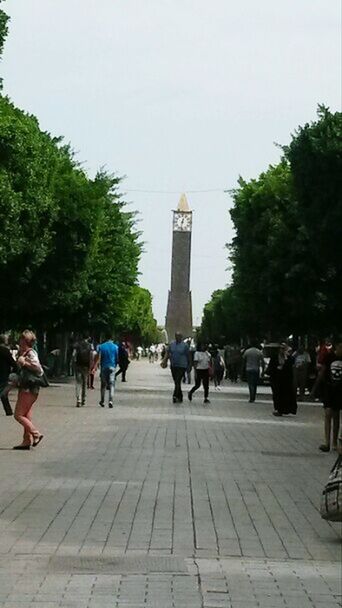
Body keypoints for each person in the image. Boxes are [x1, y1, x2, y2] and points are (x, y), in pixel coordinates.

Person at [13, 330, 44, 450]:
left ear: (25, 341)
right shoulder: (25, 352)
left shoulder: (31, 353)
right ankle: (26, 440)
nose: (19, 341)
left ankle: (36, 434)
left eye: (21, 339)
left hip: (29, 388)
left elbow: (38, 368)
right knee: (26, 415)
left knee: (18, 415)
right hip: (28, 388)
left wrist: (24, 363)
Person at [317, 342, 342, 452]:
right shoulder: (329, 357)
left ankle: (334, 442)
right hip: (329, 388)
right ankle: (327, 442)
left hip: (339, 390)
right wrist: (319, 386)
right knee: (328, 414)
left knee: (336, 415)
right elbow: (323, 371)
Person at [267, 343, 297, 416]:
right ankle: (278, 409)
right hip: (276, 379)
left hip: (285, 380)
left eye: (284, 349)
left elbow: (291, 365)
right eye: (281, 349)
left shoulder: (288, 357)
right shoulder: (274, 357)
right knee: (277, 394)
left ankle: (285, 409)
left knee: (285, 394)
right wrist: (276, 369)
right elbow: (270, 368)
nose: (282, 350)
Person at [161, 332, 189, 403]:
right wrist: (164, 361)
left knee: (177, 380)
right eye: (176, 336)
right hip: (173, 366)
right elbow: (167, 353)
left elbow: (188, 356)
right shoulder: (172, 344)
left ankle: (175, 395)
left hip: (182, 366)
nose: (177, 337)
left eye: (179, 336)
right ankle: (180, 396)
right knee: (177, 382)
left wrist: (189, 365)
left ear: (181, 337)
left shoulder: (185, 346)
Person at [93, 332, 118, 408]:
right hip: (112, 366)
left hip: (104, 367)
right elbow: (117, 358)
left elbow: (99, 357)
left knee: (103, 385)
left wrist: (95, 366)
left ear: (105, 338)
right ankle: (110, 400)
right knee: (112, 384)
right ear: (112, 338)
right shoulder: (115, 347)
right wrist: (115, 365)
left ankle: (102, 400)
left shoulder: (101, 346)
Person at [72, 334, 92, 407]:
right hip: (86, 366)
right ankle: (83, 399)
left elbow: (73, 355)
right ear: (88, 337)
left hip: (78, 366)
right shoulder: (90, 345)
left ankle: (78, 400)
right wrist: (91, 366)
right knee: (84, 383)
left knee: (78, 383)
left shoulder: (77, 345)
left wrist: (73, 363)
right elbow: (91, 356)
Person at [0, 334, 18, 416]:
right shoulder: (5, 350)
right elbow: (12, 362)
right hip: (3, 374)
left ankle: (8, 411)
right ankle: (8, 411)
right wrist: (16, 370)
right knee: (3, 393)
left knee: (3, 393)